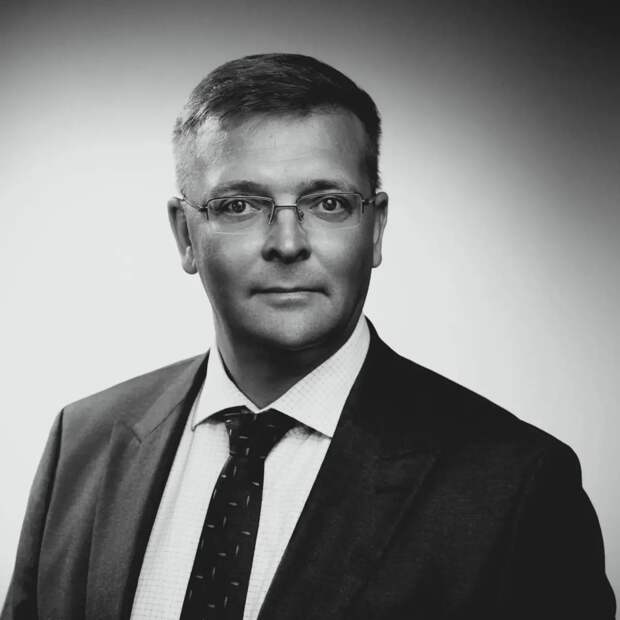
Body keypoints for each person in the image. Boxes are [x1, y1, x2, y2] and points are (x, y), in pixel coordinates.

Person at [2, 53, 615, 620]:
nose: (288, 244)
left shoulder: (517, 488)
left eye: (327, 204)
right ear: (185, 236)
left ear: (375, 229)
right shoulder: (80, 444)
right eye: (240, 205)